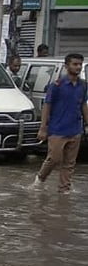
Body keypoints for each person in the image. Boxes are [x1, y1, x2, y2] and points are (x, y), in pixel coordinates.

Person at [33, 52, 87, 192]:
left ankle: (64, 190)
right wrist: (43, 127)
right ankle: (40, 179)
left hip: (75, 129)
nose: (78, 67)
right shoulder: (57, 85)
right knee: (54, 159)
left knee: (69, 163)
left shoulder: (83, 85)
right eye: (75, 64)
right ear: (66, 66)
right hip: (57, 129)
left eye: (80, 64)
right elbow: (47, 105)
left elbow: (83, 105)